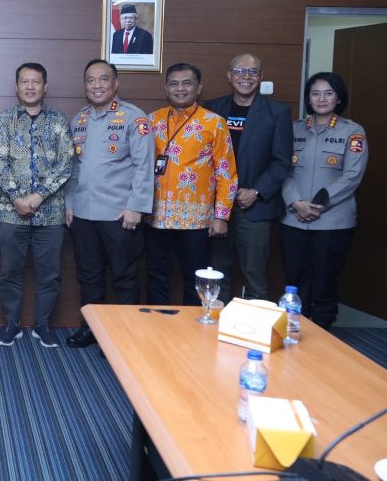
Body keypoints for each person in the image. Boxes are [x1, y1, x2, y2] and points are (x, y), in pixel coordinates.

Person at [65, 59, 154, 348]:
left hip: (119, 214)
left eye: (103, 79)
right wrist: (70, 204)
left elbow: (144, 166)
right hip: (83, 213)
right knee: (89, 276)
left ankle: (123, 338)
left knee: (124, 277)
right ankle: (91, 329)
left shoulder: (134, 118)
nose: (97, 85)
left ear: (116, 84)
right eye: (90, 80)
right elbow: (74, 168)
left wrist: (136, 207)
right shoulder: (79, 119)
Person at [0, 63, 73, 348]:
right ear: (16, 87)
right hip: (12, 213)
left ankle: (42, 325)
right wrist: (16, 198)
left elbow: (66, 163)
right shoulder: (4, 120)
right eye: (24, 81)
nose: (30, 86)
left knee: (50, 274)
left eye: (35, 81)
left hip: (50, 214)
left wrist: (38, 197)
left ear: (45, 87)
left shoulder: (58, 120)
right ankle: (11, 325)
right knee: (9, 273)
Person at [280, 72, 367, 329]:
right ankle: (295, 329)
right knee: (295, 279)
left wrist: (318, 205)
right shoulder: (294, 129)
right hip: (294, 219)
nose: (321, 98)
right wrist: (296, 202)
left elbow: (352, 175)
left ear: (338, 98)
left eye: (328, 93)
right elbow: (283, 169)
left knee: (324, 282)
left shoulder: (352, 132)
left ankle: (323, 333)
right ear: (308, 98)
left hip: (332, 222)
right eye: (315, 93)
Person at [145, 63, 237, 305]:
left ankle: (192, 328)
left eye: (187, 83)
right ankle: (156, 325)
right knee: (156, 278)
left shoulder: (214, 123)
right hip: (156, 217)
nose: (180, 89)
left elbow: (226, 172)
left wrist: (221, 216)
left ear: (199, 88)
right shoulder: (152, 120)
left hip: (195, 221)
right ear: (166, 88)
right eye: (174, 84)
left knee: (195, 280)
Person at [204, 54, 292, 301]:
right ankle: (215, 322)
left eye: (253, 72)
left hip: (254, 206)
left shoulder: (278, 112)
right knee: (216, 273)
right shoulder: (212, 108)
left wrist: (256, 191)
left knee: (255, 275)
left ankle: (255, 324)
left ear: (261, 76)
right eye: (240, 71)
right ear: (229, 75)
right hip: (216, 206)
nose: (246, 77)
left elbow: (282, 161)